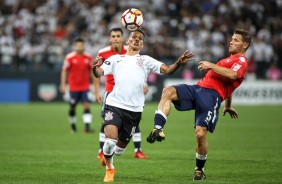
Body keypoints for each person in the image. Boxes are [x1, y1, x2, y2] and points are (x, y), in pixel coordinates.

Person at [146, 28, 252, 181]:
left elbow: (233, 75)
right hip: (198, 88)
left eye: (236, 40)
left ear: (245, 45)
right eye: (232, 38)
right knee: (167, 91)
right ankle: (158, 129)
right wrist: (228, 105)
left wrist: (211, 65)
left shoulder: (241, 61)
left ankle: (199, 170)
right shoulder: (229, 59)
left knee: (200, 134)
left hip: (211, 96)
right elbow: (230, 82)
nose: (231, 41)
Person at [92, 29, 193, 182]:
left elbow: (168, 70)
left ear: (143, 44)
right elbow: (98, 73)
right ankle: (110, 168)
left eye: (140, 38)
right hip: (114, 104)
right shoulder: (115, 59)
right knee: (109, 141)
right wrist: (94, 67)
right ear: (127, 41)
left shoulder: (146, 60)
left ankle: (108, 156)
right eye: (134, 37)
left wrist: (179, 62)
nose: (137, 39)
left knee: (118, 150)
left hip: (134, 110)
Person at [94, 28, 148, 160]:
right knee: (106, 121)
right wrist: (96, 91)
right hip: (110, 91)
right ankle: (102, 150)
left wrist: (145, 85)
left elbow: (140, 69)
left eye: (118, 36)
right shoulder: (103, 52)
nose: (116, 38)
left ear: (124, 38)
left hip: (129, 91)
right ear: (110, 39)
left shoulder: (130, 50)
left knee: (134, 121)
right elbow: (98, 72)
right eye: (113, 36)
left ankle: (138, 150)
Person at [60, 37, 95, 133]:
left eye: (81, 45)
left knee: (86, 105)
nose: (80, 47)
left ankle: (87, 127)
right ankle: (73, 126)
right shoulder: (69, 57)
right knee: (72, 106)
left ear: (84, 46)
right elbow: (64, 71)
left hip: (85, 87)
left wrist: (94, 85)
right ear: (75, 46)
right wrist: (63, 85)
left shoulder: (88, 57)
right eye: (78, 45)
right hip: (73, 87)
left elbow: (92, 71)